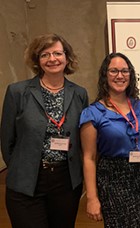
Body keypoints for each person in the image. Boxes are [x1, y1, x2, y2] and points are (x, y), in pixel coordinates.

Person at [0, 33, 89, 227]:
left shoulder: (80, 94)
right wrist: (22, 167)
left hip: (65, 182)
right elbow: (7, 140)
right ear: (37, 60)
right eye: (45, 54)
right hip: (27, 181)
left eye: (57, 53)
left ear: (67, 57)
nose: (52, 59)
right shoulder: (17, 92)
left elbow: (82, 139)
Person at [79, 52, 140, 227]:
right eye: (113, 71)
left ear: (131, 74)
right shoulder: (92, 113)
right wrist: (92, 198)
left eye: (124, 71)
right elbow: (89, 158)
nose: (120, 75)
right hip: (113, 178)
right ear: (105, 75)